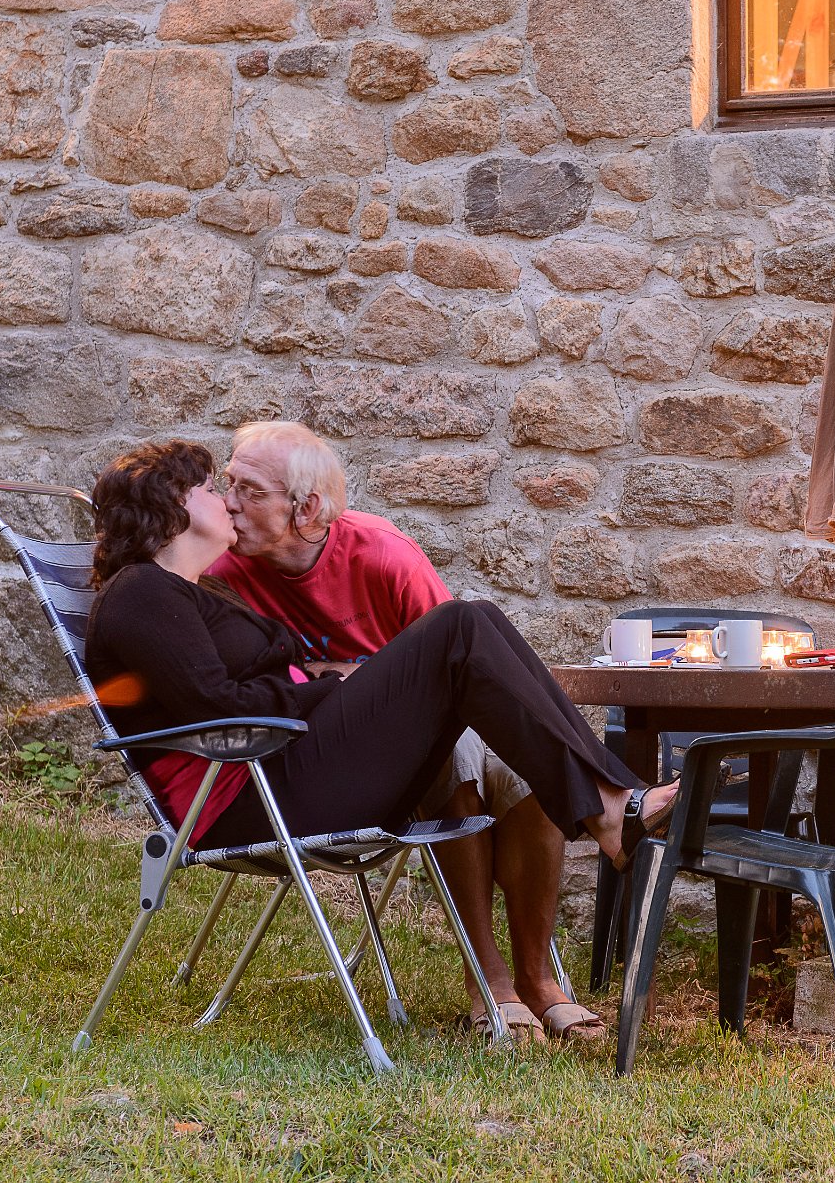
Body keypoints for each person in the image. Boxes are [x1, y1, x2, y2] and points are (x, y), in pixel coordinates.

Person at [83, 440, 674, 1045]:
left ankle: (608, 809)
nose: (228, 502)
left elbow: (240, 683)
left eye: (237, 489)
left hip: (293, 772)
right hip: (254, 798)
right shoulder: (141, 592)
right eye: (213, 488)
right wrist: (328, 687)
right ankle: (610, 807)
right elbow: (217, 704)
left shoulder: (196, 590)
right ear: (175, 505)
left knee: (474, 622)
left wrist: (317, 681)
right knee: (462, 625)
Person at [203, 421, 596, 1040]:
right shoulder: (223, 575)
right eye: (228, 484)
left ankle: (538, 977)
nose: (228, 503)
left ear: (306, 509)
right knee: (455, 759)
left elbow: (466, 667)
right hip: (332, 759)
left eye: (249, 491)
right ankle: (487, 977)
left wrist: (336, 672)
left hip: (439, 725)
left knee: (522, 764)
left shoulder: (381, 553)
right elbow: (254, 680)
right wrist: (352, 675)